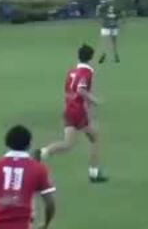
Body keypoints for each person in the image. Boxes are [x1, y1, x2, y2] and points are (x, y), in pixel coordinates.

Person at [35, 44, 108, 183]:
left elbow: (69, 90)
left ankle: (42, 153)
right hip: (78, 111)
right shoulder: (87, 72)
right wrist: (94, 101)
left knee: (68, 144)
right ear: (91, 58)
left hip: (69, 109)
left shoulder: (72, 72)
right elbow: (81, 90)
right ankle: (94, 173)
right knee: (94, 138)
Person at [96, 0, 120, 64]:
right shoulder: (115, 9)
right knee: (110, 42)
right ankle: (114, 55)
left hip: (107, 27)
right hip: (110, 27)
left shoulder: (104, 8)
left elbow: (98, 15)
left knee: (108, 42)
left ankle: (110, 54)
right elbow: (118, 18)